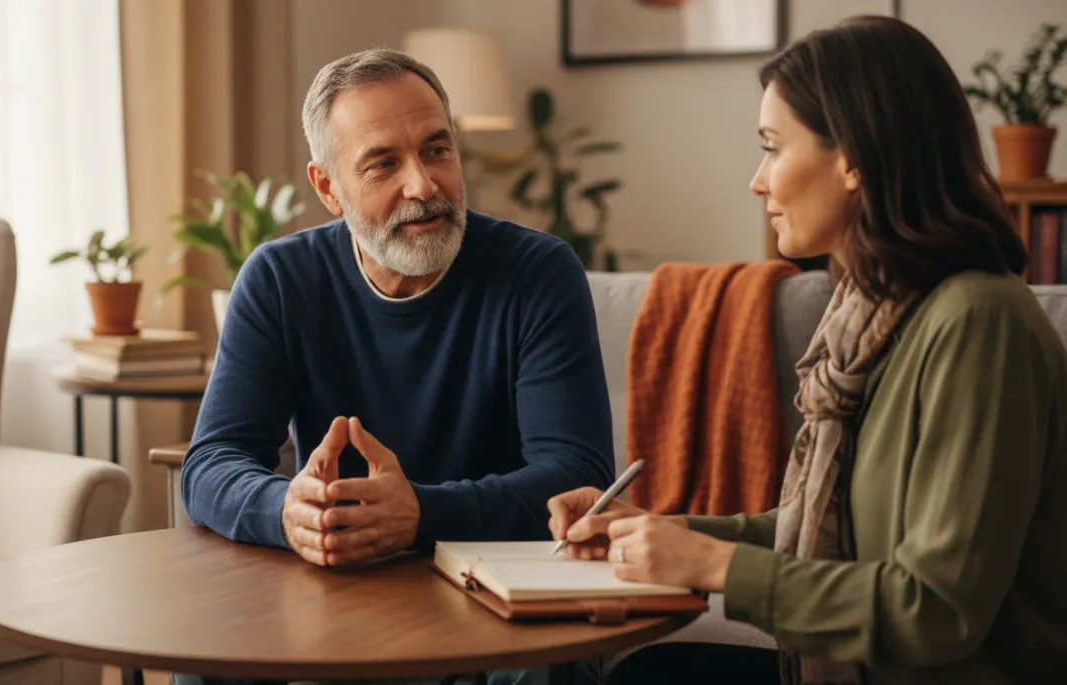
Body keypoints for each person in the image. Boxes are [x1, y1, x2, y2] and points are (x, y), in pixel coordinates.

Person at [550, 15, 1067, 685]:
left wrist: (712, 567)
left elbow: (935, 609)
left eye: (772, 145)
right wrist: (656, 531)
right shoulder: (870, 316)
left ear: (852, 157)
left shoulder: (979, 323)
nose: (758, 179)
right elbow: (825, 527)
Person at [173, 47, 614, 685]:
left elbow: (577, 473)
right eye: (384, 163)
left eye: (437, 149)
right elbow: (210, 465)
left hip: (495, 592)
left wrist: (418, 515)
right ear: (328, 188)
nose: (424, 184)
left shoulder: (537, 274)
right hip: (334, 593)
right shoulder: (278, 280)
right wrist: (287, 510)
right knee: (200, 658)